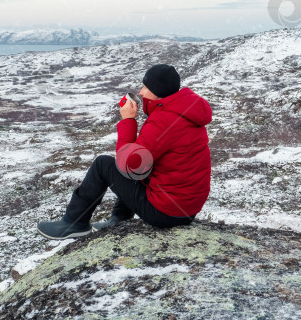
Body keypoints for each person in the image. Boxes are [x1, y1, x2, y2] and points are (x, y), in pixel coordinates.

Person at [37, 64, 213, 239]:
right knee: (143, 167)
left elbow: (129, 164)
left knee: (103, 164)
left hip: (165, 213)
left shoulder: (164, 120)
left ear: (158, 91)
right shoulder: (183, 112)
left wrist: (128, 120)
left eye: (146, 87)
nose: (141, 92)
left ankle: (74, 223)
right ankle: (120, 219)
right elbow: (145, 158)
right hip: (185, 209)